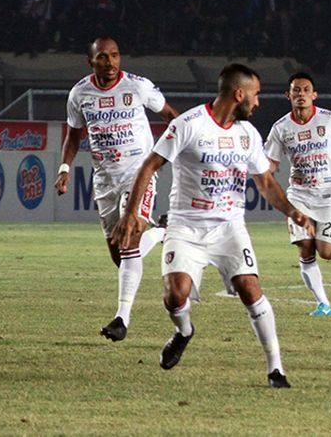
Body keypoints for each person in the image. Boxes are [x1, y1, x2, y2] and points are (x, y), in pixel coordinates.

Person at [112, 63, 314, 388]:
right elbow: (150, 165)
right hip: (185, 226)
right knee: (174, 297)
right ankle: (184, 331)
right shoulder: (188, 125)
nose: (258, 102)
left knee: (251, 288)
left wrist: (293, 212)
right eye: (256, 95)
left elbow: (265, 181)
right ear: (239, 93)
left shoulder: (248, 134)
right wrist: (130, 213)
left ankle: (276, 369)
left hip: (229, 228)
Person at [55, 37, 179, 342]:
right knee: (120, 254)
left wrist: (177, 154)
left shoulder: (138, 87)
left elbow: (171, 117)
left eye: (115, 56)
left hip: (139, 174)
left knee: (128, 241)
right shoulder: (79, 93)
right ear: (91, 62)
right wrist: (64, 169)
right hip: (104, 180)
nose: (110, 63)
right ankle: (162, 233)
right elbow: (73, 136)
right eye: (103, 58)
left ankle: (122, 318)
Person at [264, 72, 331, 316]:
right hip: (299, 196)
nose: (301, 94)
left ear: (314, 95)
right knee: (305, 248)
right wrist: (260, 171)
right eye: (296, 90)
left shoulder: (329, 119)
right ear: (288, 95)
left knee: (327, 253)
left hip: (330, 196)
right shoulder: (281, 128)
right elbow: (272, 163)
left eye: (306, 90)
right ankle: (323, 304)